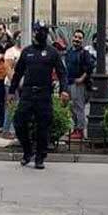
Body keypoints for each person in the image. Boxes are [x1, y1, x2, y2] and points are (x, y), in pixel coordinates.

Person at [8, 21, 69, 170]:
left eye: (43, 31)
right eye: (38, 31)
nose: (40, 34)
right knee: (19, 122)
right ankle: (27, 152)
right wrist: (11, 91)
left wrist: (64, 90)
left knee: (44, 127)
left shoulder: (52, 52)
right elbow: (18, 73)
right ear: (34, 32)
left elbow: (62, 73)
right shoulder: (27, 51)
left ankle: (40, 157)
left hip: (44, 94)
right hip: (28, 93)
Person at [65, 29, 94, 140]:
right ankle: (75, 128)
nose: (77, 39)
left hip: (79, 84)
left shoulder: (85, 53)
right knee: (71, 107)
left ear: (83, 40)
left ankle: (80, 130)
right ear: (72, 38)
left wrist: (82, 78)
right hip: (69, 82)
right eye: (75, 37)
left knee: (79, 107)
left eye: (80, 38)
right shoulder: (69, 52)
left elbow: (90, 67)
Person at [2, 30, 22, 139]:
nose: (20, 38)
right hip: (11, 84)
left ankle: (16, 130)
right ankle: (6, 130)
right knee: (11, 107)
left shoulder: (26, 50)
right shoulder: (10, 51)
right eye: (18, 36)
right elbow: (8, 68)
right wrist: (14, 83)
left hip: (23, 84)